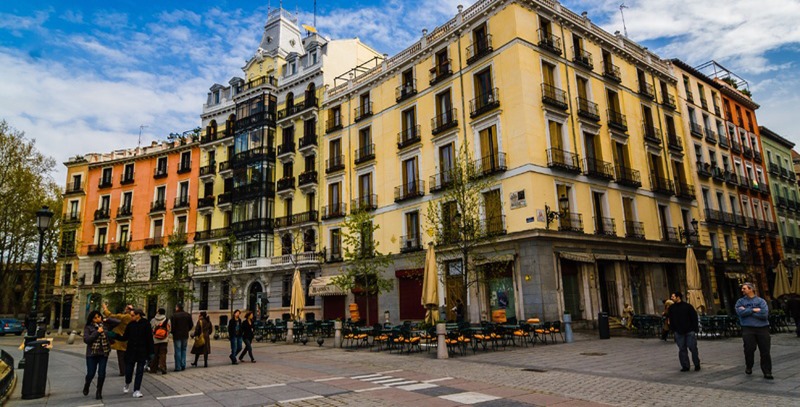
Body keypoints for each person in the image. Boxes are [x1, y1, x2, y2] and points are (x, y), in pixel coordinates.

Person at [735, 282, 773, 379]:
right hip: (748, 328)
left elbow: (764, 315)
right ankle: (749, 365)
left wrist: (747, 310)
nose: (742, 290)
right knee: (749, 349)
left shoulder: (761, 301)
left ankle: (767, 371)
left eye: (744, 288)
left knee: (765, 350)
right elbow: (740, 313)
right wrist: (754, 310)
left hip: (762, 328)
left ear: (751, 289)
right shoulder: (740, 301)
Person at [120, 308, 154, 398]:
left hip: (142, 351)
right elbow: (125, 337)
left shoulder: (146, 324)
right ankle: (127, 382)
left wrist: (151, 352)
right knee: (128, 371)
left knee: (139, 371)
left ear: (138, 315)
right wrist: (114, 336)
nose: (131, 317)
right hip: (131, 351)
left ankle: (137, 390)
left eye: (132, 315)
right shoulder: (130, 325)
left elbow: (149, 338)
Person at [667, 292, 700, 372]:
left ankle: (696, 364)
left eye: (673, 296)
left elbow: (694, 317)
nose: (671, 298)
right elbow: (670, 319)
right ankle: (685, 366)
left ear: (678, 297)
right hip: (678, 332)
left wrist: (694, 329)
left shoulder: (688, 306)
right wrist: (673, 329)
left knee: (693, 348)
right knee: (682, 349)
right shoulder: (671, 308)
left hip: (689, 331)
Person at [83, 310, 110, 400]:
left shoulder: (105, 326)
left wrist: (106, 319)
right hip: (92, 354)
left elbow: (117, 322)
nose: (98, 319)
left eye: (99, 316)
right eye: (95, 318)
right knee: (91, 373)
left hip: (103, 353)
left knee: (102, 373)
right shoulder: (88, 327)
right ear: (91, 319)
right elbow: (87, 340)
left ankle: (99, 392)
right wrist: (97, 332)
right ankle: (87, 384)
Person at [102, 303, 133, 376]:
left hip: (121, 338)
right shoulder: (133, 317)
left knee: (121, 356)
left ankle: (123, 371)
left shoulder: (125, 317)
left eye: (127, 308)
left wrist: (105, 308)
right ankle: (127, 370)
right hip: (129, 339)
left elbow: (110, 316)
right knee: (127, 356)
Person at [170, 304, 193, 371]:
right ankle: (183, 364)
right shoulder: (188, 315)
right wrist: (186, 330)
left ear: (177, 308)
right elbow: (191, 325)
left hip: (177, 335)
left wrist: (173, 332)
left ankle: (178, 366)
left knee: (177, 351)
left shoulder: (174, 315)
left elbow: (172, 327)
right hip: (185, 335)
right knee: (184, 350)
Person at [149, 308, 170, 375]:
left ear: (158, 312)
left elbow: (151, 328)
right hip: (164, 340)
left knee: (155, 354)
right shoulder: (167, 320)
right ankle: (162, 366)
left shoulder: (153, 320)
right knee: (163, 354)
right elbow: (169, 329)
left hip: (155, 340)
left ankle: (153, 369)